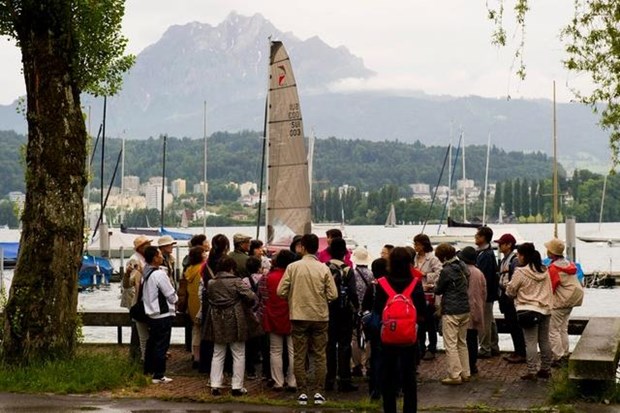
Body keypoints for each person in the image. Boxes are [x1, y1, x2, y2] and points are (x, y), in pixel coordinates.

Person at [277, 233, 338, 406]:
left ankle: (302, 391)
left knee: (299, 355)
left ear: (302, 247)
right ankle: (319, 392)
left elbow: (280, 291)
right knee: (320, 355)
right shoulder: (324, 268)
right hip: (319, 316)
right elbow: (333, 294)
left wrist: (293, 298)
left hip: (298, 315)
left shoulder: (293, 267)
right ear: (317, 248)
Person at [373, 247, 426, 413]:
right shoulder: (415, 284)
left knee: (388, 377)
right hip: (409, 336)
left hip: (388, 335)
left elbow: (377, 309)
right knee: (409, 378)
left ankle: (390, 409)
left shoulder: (382, 283)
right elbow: (422, 310)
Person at [205, 256, 257, 396]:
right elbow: (251, 296)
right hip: (235, 318)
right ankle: (237, 386)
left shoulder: (211, 282)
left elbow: (208, 298)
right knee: (238, 353)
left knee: (218, 353)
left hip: (217, 319)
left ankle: (215, 384)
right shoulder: (236, 282)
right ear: (231, 267)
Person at [506, 242, 553, 381]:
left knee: (530, 342)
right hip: (545, 308)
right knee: (544, 340)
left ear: (523, 256)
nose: (517, 257)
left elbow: (511, 290)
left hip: (528, 309)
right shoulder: (544, 270)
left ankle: (532, 370)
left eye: (519, 254)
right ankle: (546, 369)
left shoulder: (520, 272)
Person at [325, 237, 359, 392]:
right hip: (344, 311)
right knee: (345, 345)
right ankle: (345, 379)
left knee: (329, 345)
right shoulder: (347, 269)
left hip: (328, 310)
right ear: (345, 252)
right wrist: (356, 307)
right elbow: (352, 292)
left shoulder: (324, 267)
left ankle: (329, 378)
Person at [434, 243, 471, 385]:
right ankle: (465, 372)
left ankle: (455, 375)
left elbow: (439, 290)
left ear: (443, 257)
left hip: (451, 310)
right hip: (465, 308)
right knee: (462, 342)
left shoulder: (446, 270)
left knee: (450, 344)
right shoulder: (462, 265)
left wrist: (435, 286)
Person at [262, 249, 298, 391]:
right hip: (291, 315)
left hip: (273, 315)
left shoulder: (268, 277)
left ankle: (278, 381)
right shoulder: (293, 276)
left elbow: (263, 296)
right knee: (293, 351)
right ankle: (292, 380)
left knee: (275, 351)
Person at [544, 238, 584, 366]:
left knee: (553, 330)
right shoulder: (568, 264)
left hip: (560, 302)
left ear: (552, 253)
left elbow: (552, 286)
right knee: (563, 328)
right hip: (571, 301)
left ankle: (558, 356)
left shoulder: (554, 268)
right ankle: (565, 353)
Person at [142, 246, 178, 384]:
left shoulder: (146, 272)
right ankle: (159, 374)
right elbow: (169, 293)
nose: (162, 257)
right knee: (161, 345)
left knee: (152, 343)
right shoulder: (159, 274)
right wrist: (175, 300)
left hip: (151, 313)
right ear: (155, 258)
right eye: (159, 255)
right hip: (162, 314)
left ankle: (148, 370)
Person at [495, 233, 526, 364]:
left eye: (502, 244)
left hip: (510, 298)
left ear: (509, 245)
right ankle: (517, 350)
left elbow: (515, 280)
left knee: (515, 326)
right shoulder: (504, 260)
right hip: (505, 297)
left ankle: (521, 352)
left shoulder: (513, 261)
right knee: (511, 325)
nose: (499, 246)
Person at [412, 233, 442, 361]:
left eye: (417, 244)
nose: (415, 247)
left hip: (429, 293)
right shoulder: (415, 258)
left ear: (423, 245)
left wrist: (425, 275)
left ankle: (432, 348)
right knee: (420, 321)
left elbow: (439, 273)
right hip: (418, 292)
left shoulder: (433, 258)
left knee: (430, 323)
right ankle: (421, 346)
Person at [457, 246, 486, 376]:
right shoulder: (479, 273)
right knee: (473, 338)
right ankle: (472, 364)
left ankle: (465, 365)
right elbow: (484, 292)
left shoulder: (461, 272)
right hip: (477, 307)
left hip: (463, 308)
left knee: (463, 339)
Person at [123, 235, 152, 361]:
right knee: (137, 326)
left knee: (140, 328)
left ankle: (140, 353)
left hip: (140, 297)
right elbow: (133, 282)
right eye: (146, 244)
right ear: (140, 248)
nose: (149, 246)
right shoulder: (135, 260)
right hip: (136, 298)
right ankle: (136, 354)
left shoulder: (144, 258)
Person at [475, 226, 500, 358]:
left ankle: (485, 348)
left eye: (478, 236)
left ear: (484, 238)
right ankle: (493, 345)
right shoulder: (486, 253)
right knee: (490, 320)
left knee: (484, 320)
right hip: (489, 293)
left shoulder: (486, 255)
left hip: (485, 293)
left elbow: (483, 276)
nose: (475, 238)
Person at [350, 246, 374, 377]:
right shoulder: (371, 274)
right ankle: (369, 364)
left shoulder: (352, 274)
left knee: (355, 338)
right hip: (368, 310)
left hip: (355, 310)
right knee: (368, 338)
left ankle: (356, 365)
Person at [184, 245, 205, 368]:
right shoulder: (202, 269)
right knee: (201, 330)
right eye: (203, 253)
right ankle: (200, 356)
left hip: (191, 303)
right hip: (200, 303)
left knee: (195, 330)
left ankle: (195, 355)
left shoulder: (189, 269)